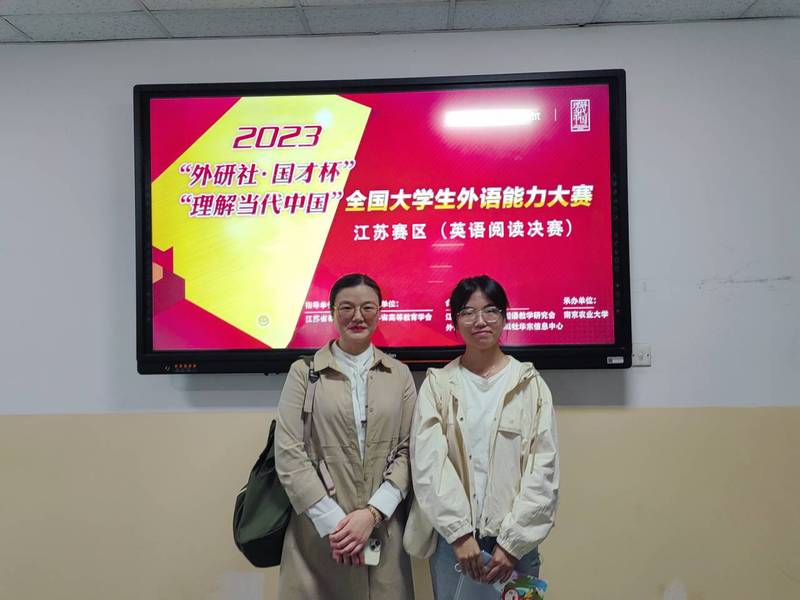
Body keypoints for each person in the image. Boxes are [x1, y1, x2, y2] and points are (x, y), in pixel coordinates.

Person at [410, 275, 559, 599]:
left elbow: (543, 469)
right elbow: (428, 465)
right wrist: (460, 534)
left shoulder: (530, 385)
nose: (480, 321)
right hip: (456, 546)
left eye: (490, 310)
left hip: (517, 548)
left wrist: (512, 543)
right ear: (455, 321)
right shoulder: (437, 385)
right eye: (468, 312)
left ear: (504, 317)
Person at [275, 273, 416, 600]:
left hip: (383, 530)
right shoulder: (303, 373)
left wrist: (372, 514)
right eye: (347, 307)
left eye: (367, 307)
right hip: (317, 535)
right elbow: (289, 452)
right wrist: (336, 525)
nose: (357, 316)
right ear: (332, 311)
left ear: (379, 312)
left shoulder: (399, 375)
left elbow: (410, 450)